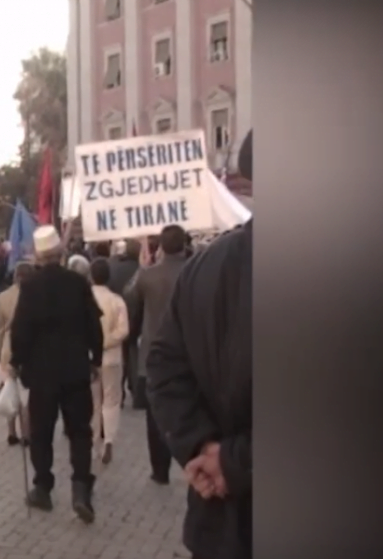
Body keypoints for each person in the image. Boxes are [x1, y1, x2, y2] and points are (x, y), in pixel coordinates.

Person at [146, 130, 252, 559]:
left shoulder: (205, 265)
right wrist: (221, 458)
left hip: (219, 526)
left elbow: (162, 363)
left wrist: (206, 451)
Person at [10, 225, 103, 522]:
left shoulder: (30, 286)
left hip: (41, 374)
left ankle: (43, 488)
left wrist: (18, 363)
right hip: (75, 370)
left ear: (38, 255)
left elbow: (20, 331)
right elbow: (94, 325)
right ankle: (80, 489)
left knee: (41, 433)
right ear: (60, 253)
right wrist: (96, 359)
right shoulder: (78, 282)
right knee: (79, 432)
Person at [125, 224, 191, 485]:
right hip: (190, 350)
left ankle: (159, 469)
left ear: (161, 246)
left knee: (155, 414)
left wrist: (143, 266)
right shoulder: (194, 270)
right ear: (185, 244)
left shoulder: (148, 276)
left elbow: (128, 297)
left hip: (155, 352)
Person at [88, 257, 129, 464]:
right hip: (112, 357)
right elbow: (124, 330)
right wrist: (107, 341)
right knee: (111, 400)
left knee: (94, 402)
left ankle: (94, 443)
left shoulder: (85, 299)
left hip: (89, 359)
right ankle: (109, 439)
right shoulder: (117, 300)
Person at [0, 261, 33, 445]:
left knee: (8, 390)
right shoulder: (35, 296)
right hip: (28, 348)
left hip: (7, 348)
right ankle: (26, 434)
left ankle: (11, 432)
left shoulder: (1, 298)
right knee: (24, 395)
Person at [108, 239, 143, 409]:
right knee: (133, 354)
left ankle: (119, 392)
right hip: (136, 315)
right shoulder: (141, 269)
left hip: (115, 315)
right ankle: (136, 391)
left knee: (120, 355)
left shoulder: (113, 266)